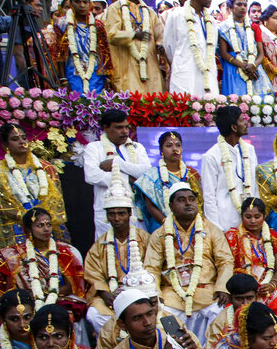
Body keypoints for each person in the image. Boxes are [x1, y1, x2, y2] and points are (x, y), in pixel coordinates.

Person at [144, 181, 234, 342]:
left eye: (191, 199)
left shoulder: (211, 230)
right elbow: (151, 267)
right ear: (171, 206)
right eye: (181, 200)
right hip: (172, 293)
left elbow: (225, 261)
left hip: (207, 291)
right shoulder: (159, 234)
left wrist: (223, 287)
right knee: (160, 312)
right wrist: (155, 294)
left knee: (223, 312)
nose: (188, 203)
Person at [83, 164, 150, 332]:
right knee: (93, 314)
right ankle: (113, 345)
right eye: (112, 214)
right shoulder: (100, 244)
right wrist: (105, 293)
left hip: (141, 291)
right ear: (106, 216)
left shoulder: (144, 239)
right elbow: (93, 274)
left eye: (121, 213)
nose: (117, 218)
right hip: (111, 293)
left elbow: (153, 266)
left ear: (130, 214)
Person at [0, 208, 86, 317]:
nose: (46, 229)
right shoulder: (12, 256)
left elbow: (70, 287)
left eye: (48, 224)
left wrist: (48, 294)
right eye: (40, 225)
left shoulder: (64, 252)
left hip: (57, 300)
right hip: (25, 304)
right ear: (28, 229)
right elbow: (7, 291)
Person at [0, 123, 70, 251]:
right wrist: (27, 218)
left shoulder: (46, 168)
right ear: (5, 145)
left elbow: (57, 201)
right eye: (15, 139)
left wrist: (41, 218)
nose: (21, 142)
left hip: (46, 225)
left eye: (24, 138)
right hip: (17, 227)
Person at [82, 109, 151, 238]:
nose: (125, 131)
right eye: (119, 127)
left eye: (126, 127)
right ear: (106, 128)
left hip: (136, 211)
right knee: (108, 252)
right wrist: (129, 178)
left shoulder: (137, 147)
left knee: (138, 251)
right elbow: (92, 176)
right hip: (108, 213)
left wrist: (117, 162)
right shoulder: (94, 148)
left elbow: (146, 173)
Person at [201, 105, 258, 234]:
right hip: (224, 222)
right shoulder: (211, 156)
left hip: (249, 221)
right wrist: (218, 230)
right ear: (234, 127)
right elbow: (209, 196)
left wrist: (256, 216)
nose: (246, 123)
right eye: (242, 120)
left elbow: (254, 186)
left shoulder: (249, 150)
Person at [134, 130, 204, 231]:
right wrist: (167, 224)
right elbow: (150, 206)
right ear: (161, 150)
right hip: (162, 226)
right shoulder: (151, 175)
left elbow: (200, 203)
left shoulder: (191, 174)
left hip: (191, 225)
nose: (175, 149)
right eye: (169, 145)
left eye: (178, 145)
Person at [52, 0, 112, 95]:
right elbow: (60, 54)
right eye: (77, 1)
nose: (82, 5)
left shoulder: (98, 25)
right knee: (77, 101)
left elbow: (106, 53)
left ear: (90, 3)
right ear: (70, 3)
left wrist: (108, 77)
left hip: (95, 72)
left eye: (85, 2)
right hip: (73, 71)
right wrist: (63, 79)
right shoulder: (62, 24)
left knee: (97, 102)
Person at [104, 0, 164, 93]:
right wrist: (133, 35)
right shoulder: (115, 9)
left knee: (153, 103)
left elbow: (160, 35)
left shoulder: (150, 12)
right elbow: (111, 35)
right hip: (127, 70)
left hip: (150, 69)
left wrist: (160, 45)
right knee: (130, 103)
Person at [163, 0, 219, 95]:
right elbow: (169, 47)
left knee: (209, 109)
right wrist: (182, 61)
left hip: (208, 76)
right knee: (184, 107)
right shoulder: (177, 15)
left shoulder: (211, 20)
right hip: (184, 76)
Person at [217, 0, 270, 95]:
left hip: (254, 69)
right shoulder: (223, 28)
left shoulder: (254, 27)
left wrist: (253, 65)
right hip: (234, 69)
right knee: (237, 103)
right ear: (231, 7)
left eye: (245, 5)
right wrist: (244, 66)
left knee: (258, 105)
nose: (243, 8)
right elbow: (224, 53)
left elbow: (261, 53)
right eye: (239, 4)